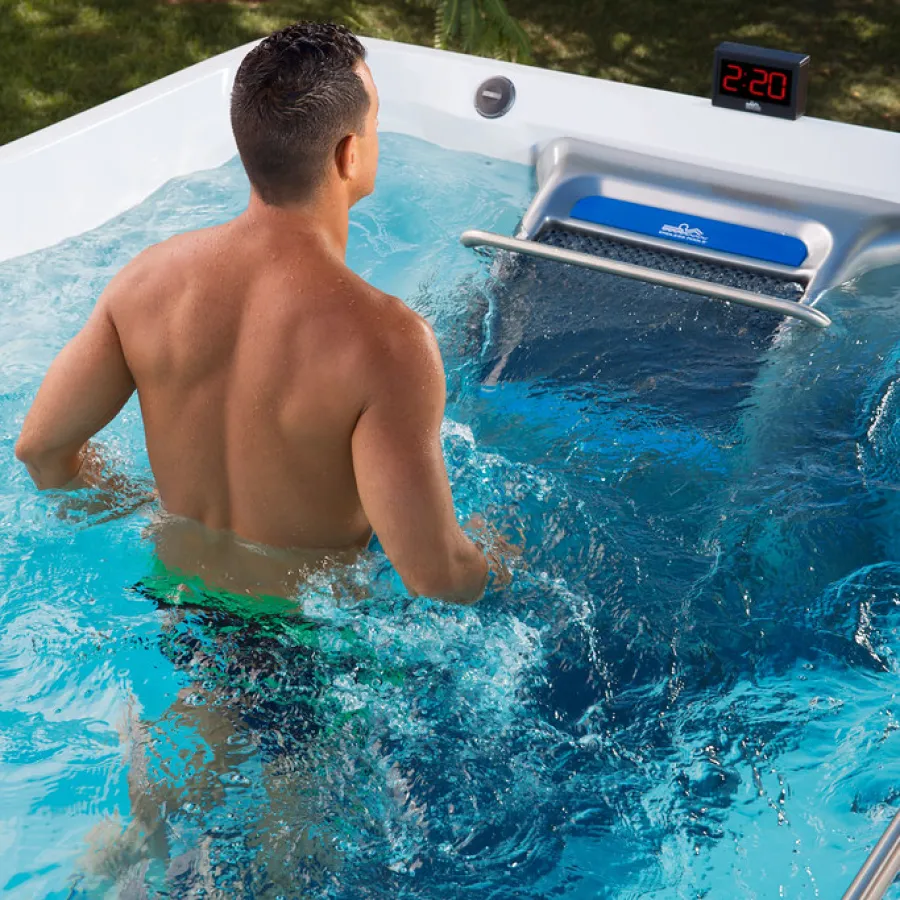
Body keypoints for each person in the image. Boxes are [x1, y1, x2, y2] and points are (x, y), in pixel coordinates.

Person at [15, 22, 505, 605]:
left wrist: (152, 517)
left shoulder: (145, 284)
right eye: (376, 124)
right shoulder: (389, 344)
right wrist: (502, 558)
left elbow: (42, 452)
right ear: (349, 153)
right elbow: (438, 577)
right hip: (305, 649)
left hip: (177, 608)